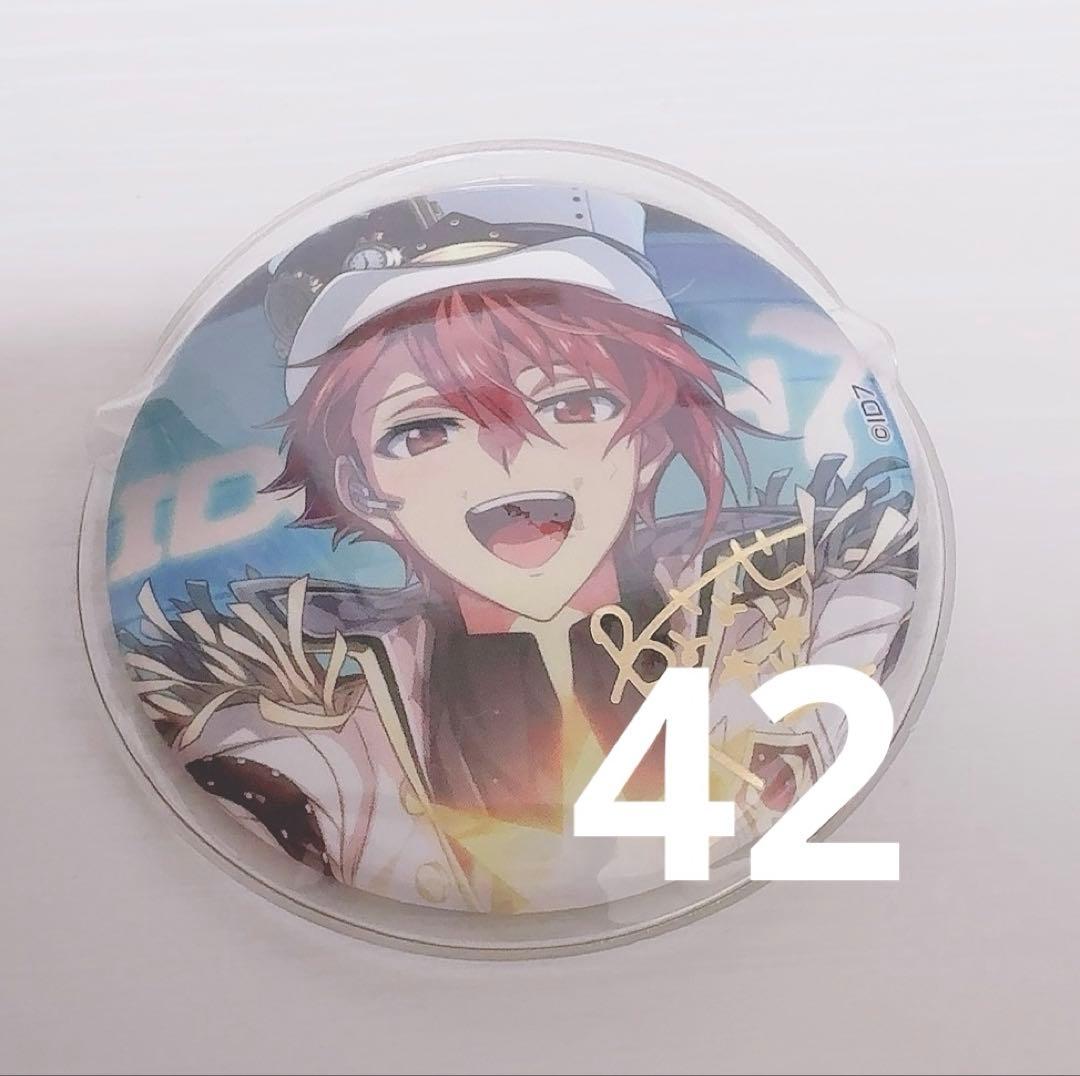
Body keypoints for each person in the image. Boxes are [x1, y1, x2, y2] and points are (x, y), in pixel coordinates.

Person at [124, 211, 917, 912]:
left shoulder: (819, 628)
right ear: (362, 489)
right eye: (424, 430)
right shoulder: (302, 745)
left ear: (647, 445)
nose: (509, 456)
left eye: (573, 404)